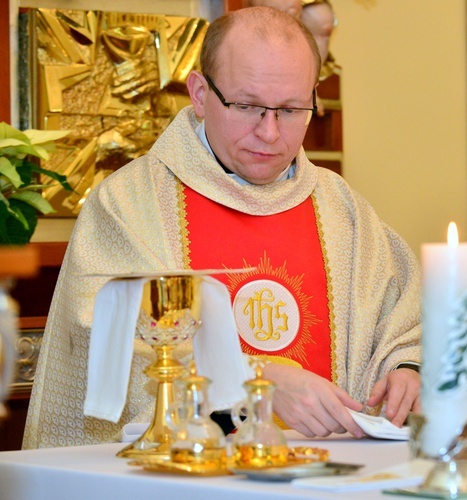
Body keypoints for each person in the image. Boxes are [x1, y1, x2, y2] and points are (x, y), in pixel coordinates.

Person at [23, 6, 421, 448]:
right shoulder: (130, 205)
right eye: (247, 106)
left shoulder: (341, 209)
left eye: (291, 110)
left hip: (326, 477)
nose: (270, 133)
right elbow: (107, 349)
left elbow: (408, 322)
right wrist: (258, 382)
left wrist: (408, 369)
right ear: (198, 93)